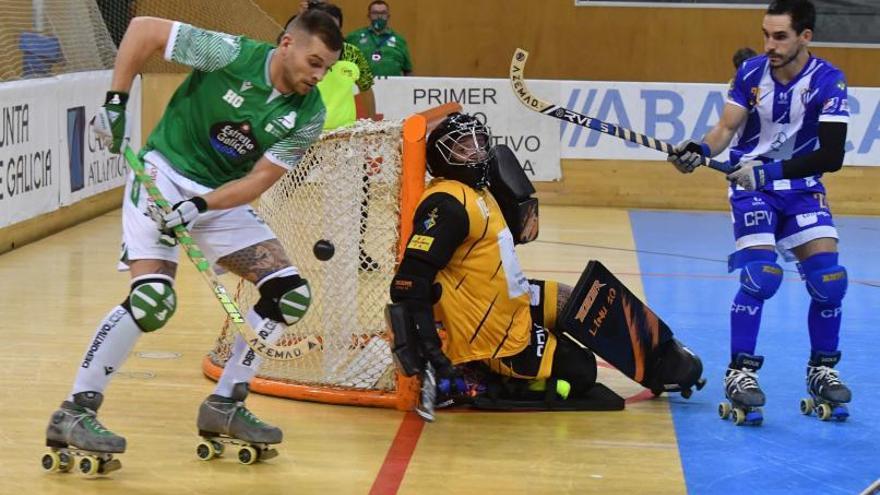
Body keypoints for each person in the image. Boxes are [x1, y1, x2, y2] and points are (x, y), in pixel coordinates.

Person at [44, 11, 342, 469]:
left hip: (217, 199)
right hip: (161, 174)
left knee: (290, 297)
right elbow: (143, 29)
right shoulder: (230, 54)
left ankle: (225, 404)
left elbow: (260, 180)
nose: (318, 76)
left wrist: (201, 206)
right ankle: (74, 412)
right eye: (314, 62)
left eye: (326, 68)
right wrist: (116, 102)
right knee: (152, 304)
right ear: (287, 44)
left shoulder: (309, 112)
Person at [388, 113, 705, 413]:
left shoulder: (479, 191)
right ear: (444, 158)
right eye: (464, 147)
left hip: (509, 301)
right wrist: (433, 353)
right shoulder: (447, 205)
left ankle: (664, 362)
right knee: (582, 370)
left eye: (479, 143)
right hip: (491, 334)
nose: (478, 152)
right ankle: (479, 375)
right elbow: (409, 282)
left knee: (581, 300)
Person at [667, 0, 852, 425]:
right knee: (760, 277)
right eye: (766, 35)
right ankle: (740, 372)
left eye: (780, 36)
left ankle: (822, 369)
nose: (769, 44)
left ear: (805, 37)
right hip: (752, 191)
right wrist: (699, 149)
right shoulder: (750, 74)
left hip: (801, 189)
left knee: (829, 282)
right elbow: (726, 129)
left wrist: (770, 171)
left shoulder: (828, 82)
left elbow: (832, 154)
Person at [346, 1, 412, 77]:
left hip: (392, 87)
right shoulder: (354, 37)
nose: (379, 16)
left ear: (388, 16)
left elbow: (408, 71)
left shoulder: (400, 40)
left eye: (383, 13)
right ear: (369, 16)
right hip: (361, 86)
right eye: (375, 13)